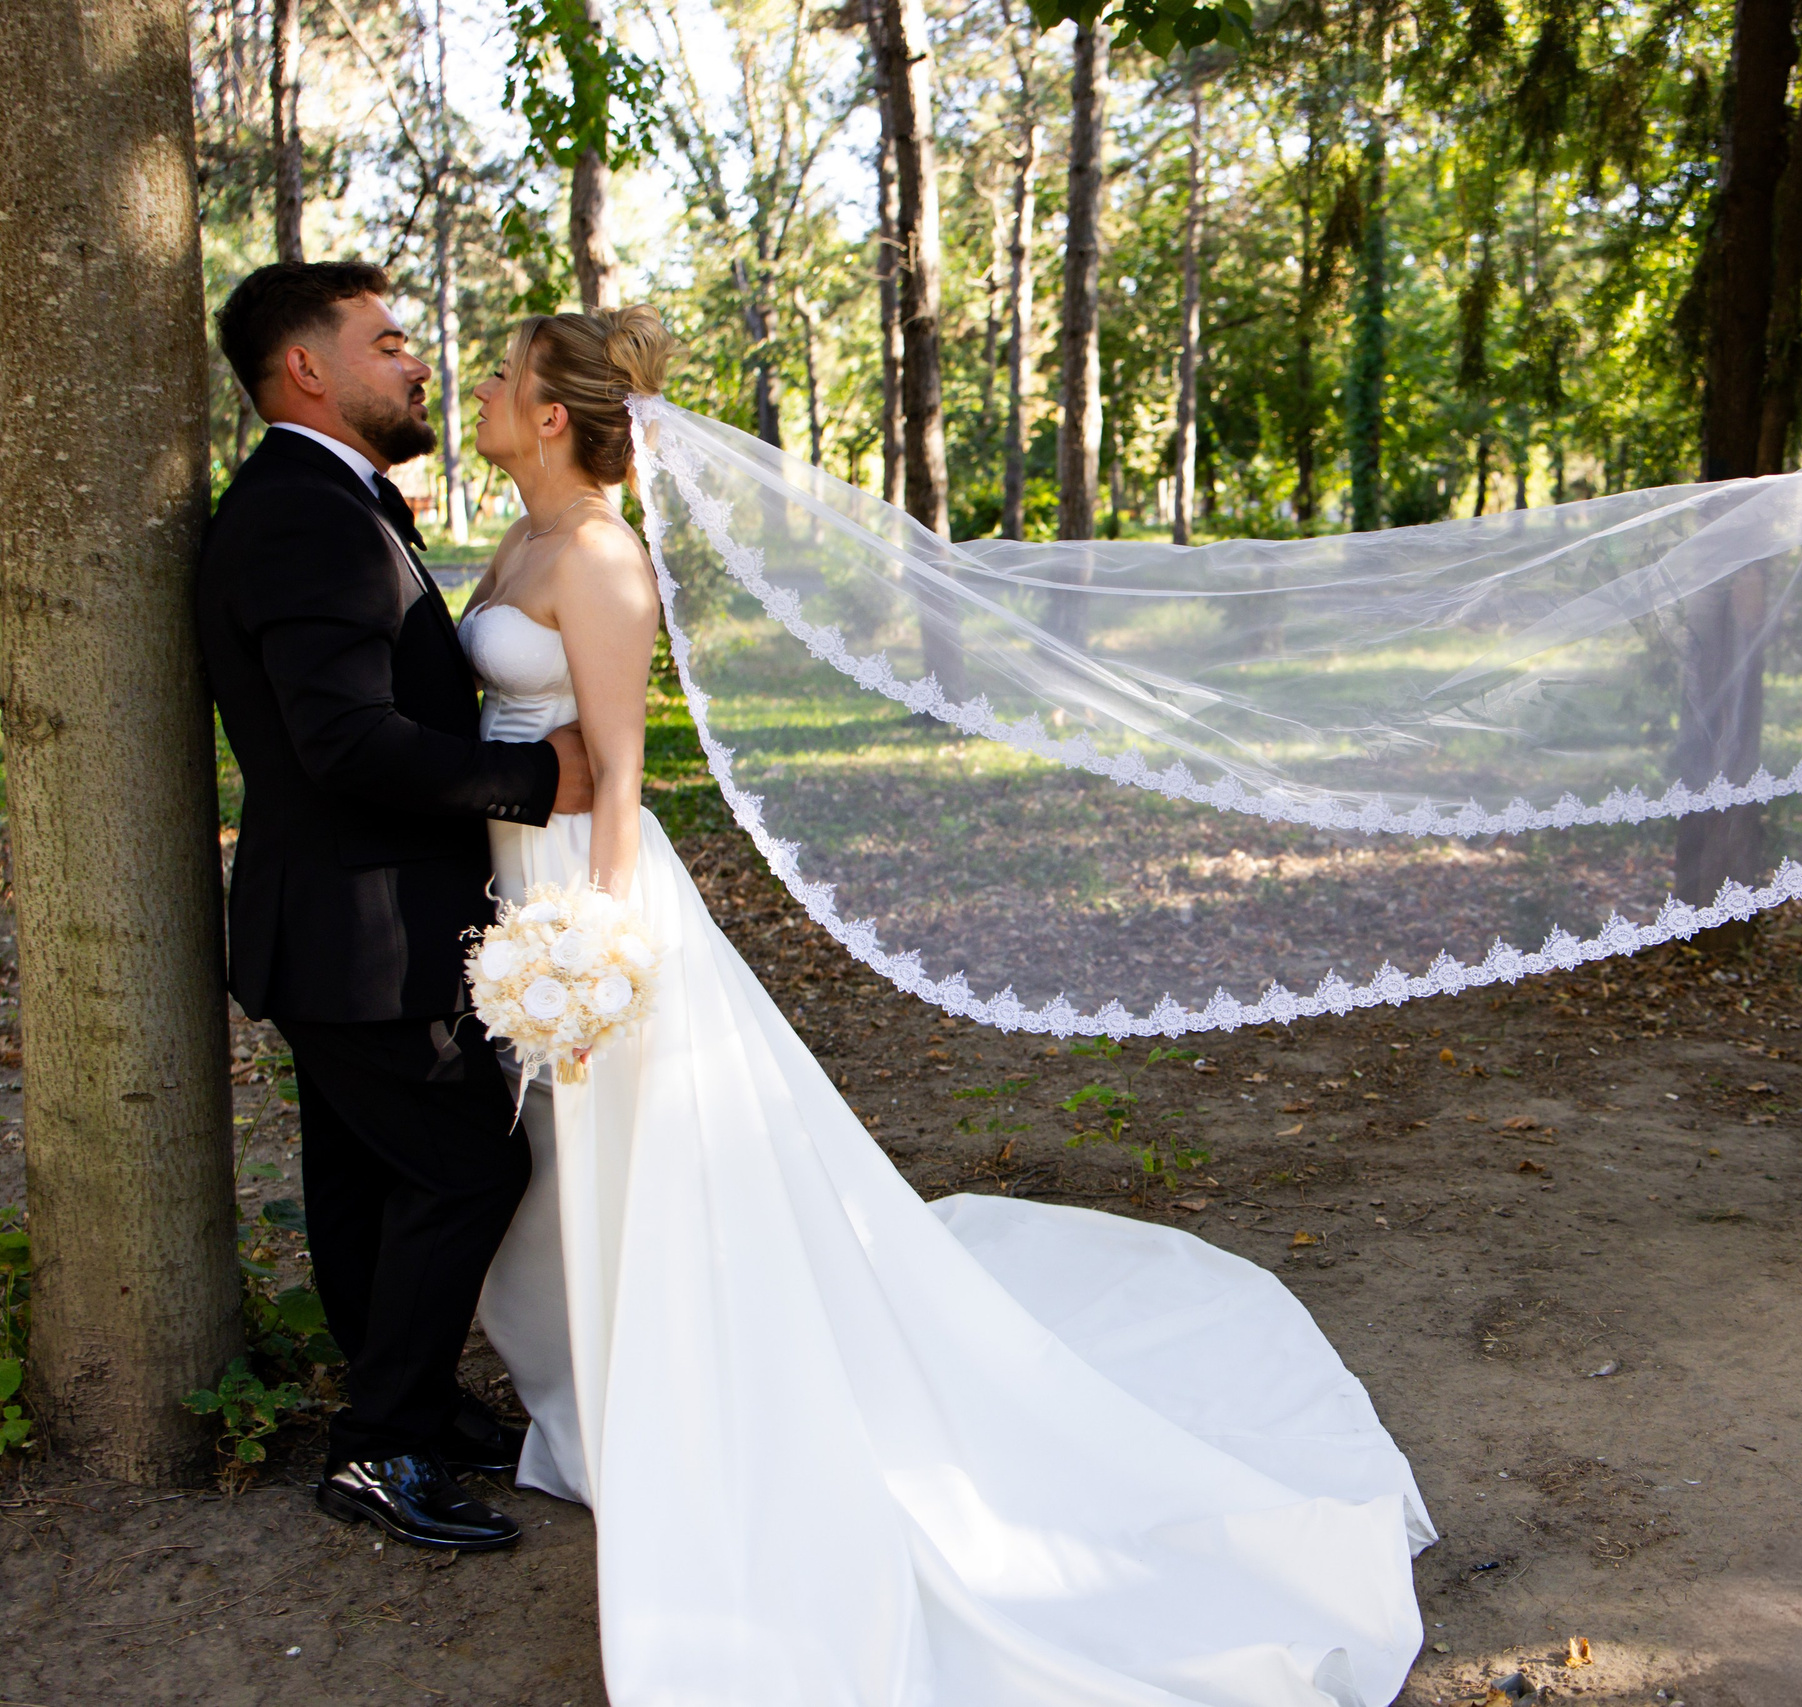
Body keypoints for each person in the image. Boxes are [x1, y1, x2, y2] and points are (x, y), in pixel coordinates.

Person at [460, 306, 1435, 1703]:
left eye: (502, 377)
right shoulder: (521, 540)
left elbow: (620, 771)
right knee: (565, 1178)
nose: (482, 393)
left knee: (628, 1163)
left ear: (552, 414)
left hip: (582, 894)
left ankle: (683, 1422)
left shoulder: (604, 562)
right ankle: (609, 1405)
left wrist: (598, 952)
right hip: (511, 872)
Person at [196, 261, 592, 1553]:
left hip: (350, 926)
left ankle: (403, 1405)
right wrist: (535, 779)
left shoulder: (326, 499)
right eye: (390, 340)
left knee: (366, 1179)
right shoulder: (306, 513)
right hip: (363, 934)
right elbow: (346, 742)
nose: (419, 361)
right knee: (468, 1165)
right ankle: (377, 1450)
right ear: (307, 367)